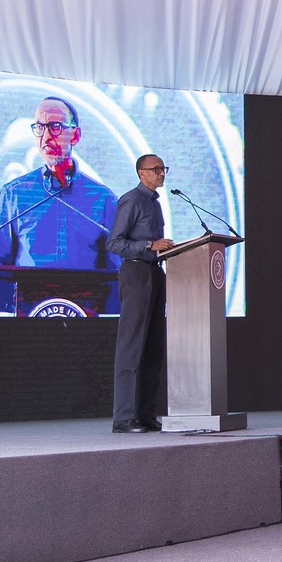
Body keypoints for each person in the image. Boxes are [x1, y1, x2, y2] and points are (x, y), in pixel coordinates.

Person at [0, 96, 120, 312]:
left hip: (85, 320)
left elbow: (116, 270)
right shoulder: (14, 193)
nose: (46, 137)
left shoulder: (103, 199)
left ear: (75, 135)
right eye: (40, 127)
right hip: (29, 317)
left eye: (55, 127)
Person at [107, 154, 174, 433]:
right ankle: (123, 418)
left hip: (155, 273)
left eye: (163, 168)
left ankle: (145, 414)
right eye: (155, 169)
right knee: (131, 346)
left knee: (152, 347)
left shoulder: (154, 203)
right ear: (141, 172)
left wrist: (163, 249)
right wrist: (150, 245)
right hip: (136, 273)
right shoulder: (132, 200)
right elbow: (114, 243)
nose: (161, 173)